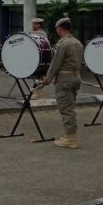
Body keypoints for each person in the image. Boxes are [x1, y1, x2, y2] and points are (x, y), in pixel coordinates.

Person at [41, 18, 84, 149]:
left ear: (59, 29)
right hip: (76, 77)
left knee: (66, 109)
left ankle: (71, 139)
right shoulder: (77, 42)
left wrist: (48, 78)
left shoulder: (63, 44)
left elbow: (56, 64)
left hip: (64, 80)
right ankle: (69, 135)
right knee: (70, 107)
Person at [29, 18, 51, 100]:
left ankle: (38, 93)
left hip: (40, 57)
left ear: (39, 25)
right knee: (38, 76)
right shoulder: (41, 32)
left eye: (34, 24)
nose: (33, 26)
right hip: (39, 56)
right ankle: (37, 93)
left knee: (39, 75)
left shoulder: (40, 33)